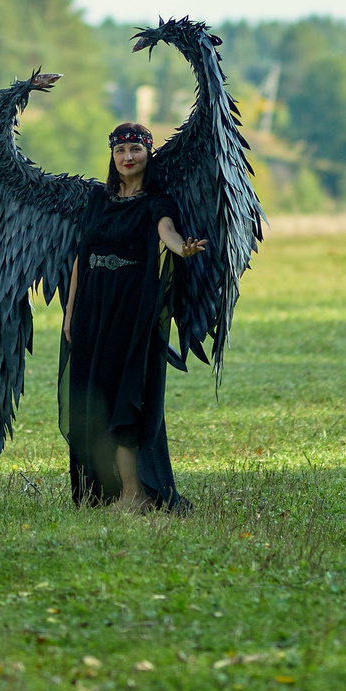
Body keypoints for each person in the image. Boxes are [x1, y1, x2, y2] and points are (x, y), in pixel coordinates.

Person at [59, 116, 207, 513]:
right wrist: (70, 311)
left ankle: (134, 493)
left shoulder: (156, 201)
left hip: (130, 308)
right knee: (94, 398)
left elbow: (167, 232)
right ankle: (108, 492)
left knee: (124, 398)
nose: (127, 156)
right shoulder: (97, 200)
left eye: (136, 149)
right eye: (121, 149)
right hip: (92, 307)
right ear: (112, 154)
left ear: (148, 153)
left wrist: (183, 248)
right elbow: (80, 256)